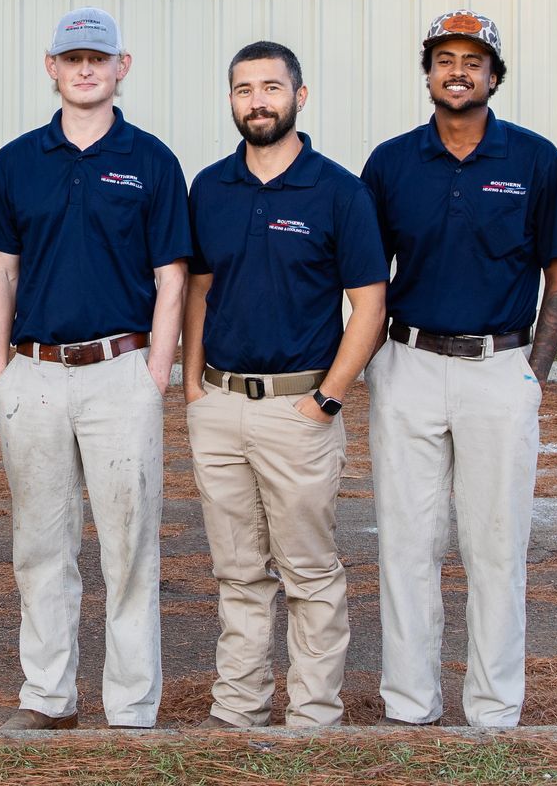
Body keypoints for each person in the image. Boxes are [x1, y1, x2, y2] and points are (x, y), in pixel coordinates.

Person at [361, 10, 557, 729]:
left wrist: (533, 373)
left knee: (494, 546)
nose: (458, 70)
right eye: (444, 58)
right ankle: (409, 706)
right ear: (427, 72)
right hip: (409, 364)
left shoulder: (535, 160)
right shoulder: (391, 162)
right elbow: (366, 277)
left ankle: (493, 711)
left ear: (494, 75)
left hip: (500, 366)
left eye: (473, 60)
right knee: (408, 544)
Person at [0, 7, 191, 730]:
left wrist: (155, 372)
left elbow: (171, 277)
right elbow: (0, 272)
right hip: (34, 374)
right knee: (40, 544)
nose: (86, 69)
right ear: (52, 67)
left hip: (120, 371)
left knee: (130, 547)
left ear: (120, 66)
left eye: (98, 57)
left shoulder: (153, 160)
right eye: (72, 58)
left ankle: (131, 705)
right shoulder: (16, 161)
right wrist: (1, 368)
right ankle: (48, 697)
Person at [182, 40, 387, 728]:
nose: (258, 101)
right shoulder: (210, 187)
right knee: (237, 572)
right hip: (218, 406)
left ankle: (313, 716)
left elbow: (371, 305)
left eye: (272, 87)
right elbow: (200, 291)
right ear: (232, 101)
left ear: (300, 97)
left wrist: (327, 398)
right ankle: (237, 708)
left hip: (299, 411)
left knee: (309, 574)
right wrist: (191, 385)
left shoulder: (338, 191)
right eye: (244, 89)